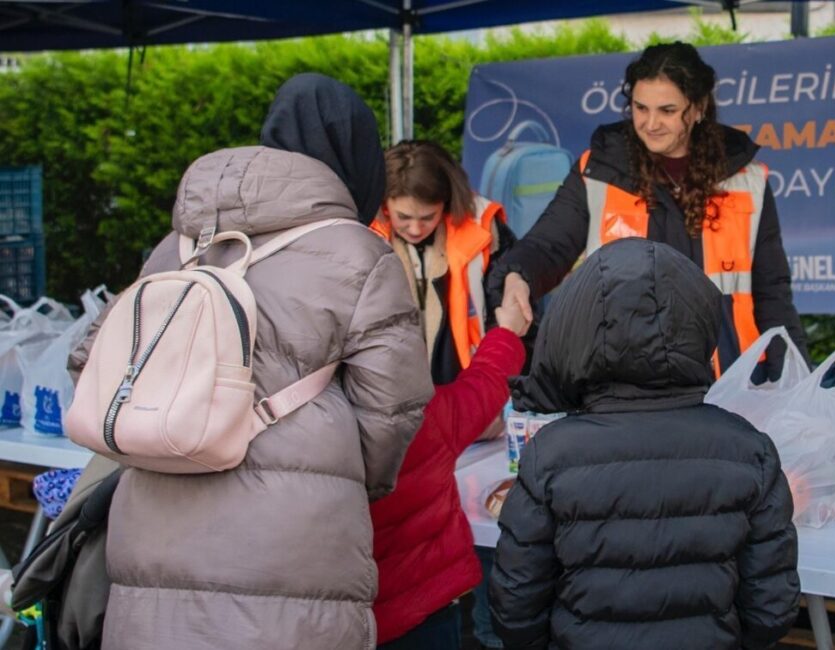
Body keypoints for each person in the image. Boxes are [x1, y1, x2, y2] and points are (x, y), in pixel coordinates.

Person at [73, 73, 434, 649]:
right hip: (291, 548)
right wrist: (344, 477)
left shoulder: (181, 245)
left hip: (151, 532)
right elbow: (394, 407)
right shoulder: (361, 254)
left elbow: (89, 361)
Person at [489, 237, 800, 649]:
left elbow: (516, 606)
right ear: (697, 325)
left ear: (574, 332)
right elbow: (771, 609)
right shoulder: (750, 451)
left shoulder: (550, 455)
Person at [486, 41, 807, 379]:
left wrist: (796, 381)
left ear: (698, 108)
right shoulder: (598, 170)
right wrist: (517, 275)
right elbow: (547, 245)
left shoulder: (748, 180)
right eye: (641, 108)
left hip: (727, 378)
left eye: (667, 110)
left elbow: (773, 294)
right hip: (622, 379)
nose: (651, 123)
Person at [370, 296, 531, 649]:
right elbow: (485, 382)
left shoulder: (289, 429)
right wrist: (507, 332)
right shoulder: (425, 419)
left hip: (331, 618)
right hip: (426, 610)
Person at [372, 140, 517, 385]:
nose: (416, 228)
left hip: (469, 383)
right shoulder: (364, 234)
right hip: (392, 388)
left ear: (447, 202)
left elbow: (504, 304)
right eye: (403, 217)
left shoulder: (484, 227)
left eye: (428, 217)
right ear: (385, 205)